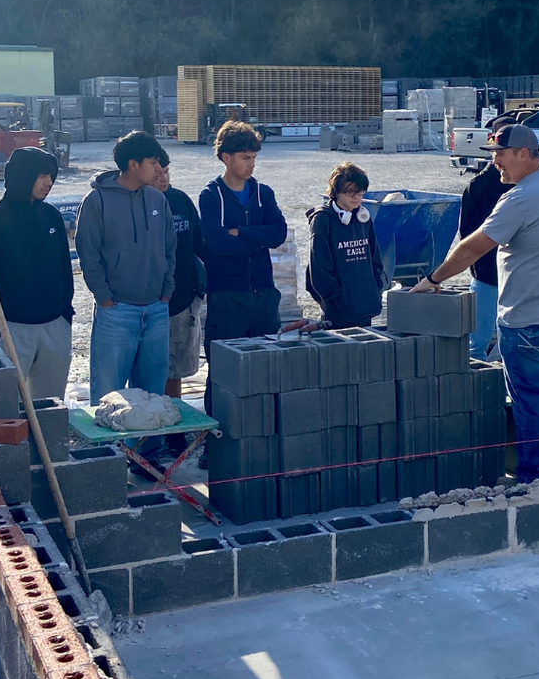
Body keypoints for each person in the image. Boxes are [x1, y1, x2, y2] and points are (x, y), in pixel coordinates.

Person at [410, 124, 539, 484]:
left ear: (523, 153)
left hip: (525, 317)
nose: (496, 163)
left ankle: (535, 474)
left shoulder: (520, 198)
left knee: (529, 399)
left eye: (500, 154)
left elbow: (474, 246)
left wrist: (434, 279)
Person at [76, 131, 176, 476]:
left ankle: (148, 458)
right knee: (109, 391)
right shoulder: (97, 201)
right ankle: (105, 464)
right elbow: (88, 255)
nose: (158, 168)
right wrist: (105, 298)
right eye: (152, 162)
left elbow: (169, 248)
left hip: (156, 309)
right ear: (133, 164)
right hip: (115, 311)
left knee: (151, 390)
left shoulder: (157, 199)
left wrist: (166, 291)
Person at [199, 121, 287, 418]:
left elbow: (279, 234)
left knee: (266, 369)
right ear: (226, 157)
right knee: (223, 373)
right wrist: (256, 237)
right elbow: (217, 244)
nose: (251, 165)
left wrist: (241, 232)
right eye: (245, 158)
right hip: (227, 299)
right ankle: (218, 446)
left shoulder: (264, 193)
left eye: (254, 158)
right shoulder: (210, 196)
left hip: (264, 296)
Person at [0, 147, 74, 402]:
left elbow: (65, 269)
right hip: (12, 330)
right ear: (23, 175)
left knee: (50, 409)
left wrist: (66, 315)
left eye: (51, 175)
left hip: (55, 326)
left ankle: (47, 445)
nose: (48, 182)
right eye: (41, 175)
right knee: (11, 411)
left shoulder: (52, 216)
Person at [153, 152, 205, 458]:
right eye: (157, 172)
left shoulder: (181, 200)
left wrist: (199, 288)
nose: (162, 177)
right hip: (149, 301)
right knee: (149, 372)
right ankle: (149, 435)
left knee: (175, 371)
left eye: (166, 171)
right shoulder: (140, 203)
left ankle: (174, 432)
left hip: (183, 298)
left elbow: (199, 244)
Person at [305, 161, 385, 329]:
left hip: (366, 306)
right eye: (350, 192)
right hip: (338, 313)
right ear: (336, 193)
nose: (356, 197)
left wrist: (375, 290)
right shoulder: (322, 220)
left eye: (360, 192)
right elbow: (319, 271)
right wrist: (338, 300)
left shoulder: (363, 217)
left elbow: (375, 260)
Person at [458, 159, 512, 360]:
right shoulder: (478, 185)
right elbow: (467, 235)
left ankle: (498, 381)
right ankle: (477, 386)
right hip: (486, 276)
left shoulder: (523, 184)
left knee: (512, 342)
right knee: (477, 344)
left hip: (514, 277)